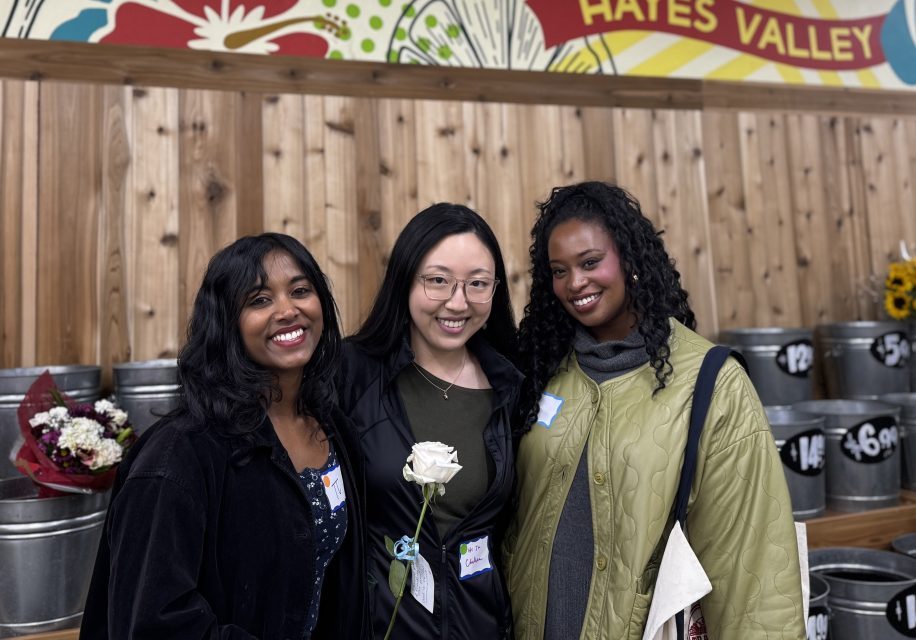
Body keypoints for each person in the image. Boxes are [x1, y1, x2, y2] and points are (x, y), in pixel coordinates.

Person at [504, 181, 806, 640]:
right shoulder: (542, 369)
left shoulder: (712, 384)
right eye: (559, 271)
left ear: (629, 259)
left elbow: (753, 566)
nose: (575, 283)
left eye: (590, 262)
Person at [80, 233, 368, 639]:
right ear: (226, 324)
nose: (288, 310)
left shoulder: (334, 430)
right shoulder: (177, 457)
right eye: (259, 300)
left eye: (300, 291)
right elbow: (152, 621)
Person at [338, 203, 521, 639]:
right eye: (437, 281)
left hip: (479, 625)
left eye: (477, 284)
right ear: (405, 280)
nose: (457, 303)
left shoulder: (511, 388)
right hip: (377, 625)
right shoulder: (350, 374)